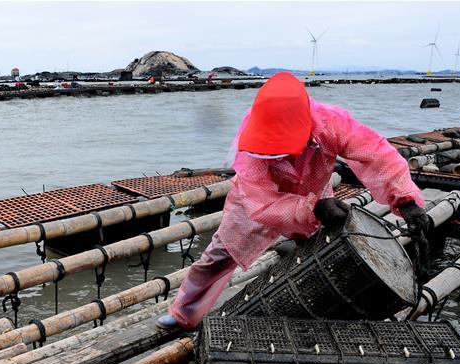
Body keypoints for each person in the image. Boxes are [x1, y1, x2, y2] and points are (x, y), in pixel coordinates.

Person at [157, 71, 429, 330]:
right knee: (220, 253)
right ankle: (184, 312)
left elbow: (378, 155)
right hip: (254, 199)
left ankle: (317, 306)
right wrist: (315, 209)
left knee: (323, 249)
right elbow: (262, 204)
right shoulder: (250, 145)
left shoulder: (331, 122)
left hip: (313, 190)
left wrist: (406, 202)